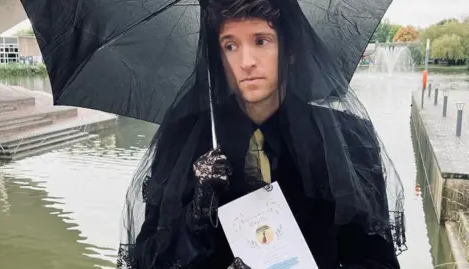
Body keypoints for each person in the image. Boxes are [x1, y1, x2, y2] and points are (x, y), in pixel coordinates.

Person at [117, 0, 406, 268]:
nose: (246, 62)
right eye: (230, 46)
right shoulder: (182, 139)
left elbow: (375, 258)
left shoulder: (349, 138)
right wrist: (199, 208)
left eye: (261, 41)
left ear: (290, 50)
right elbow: (149, 259)